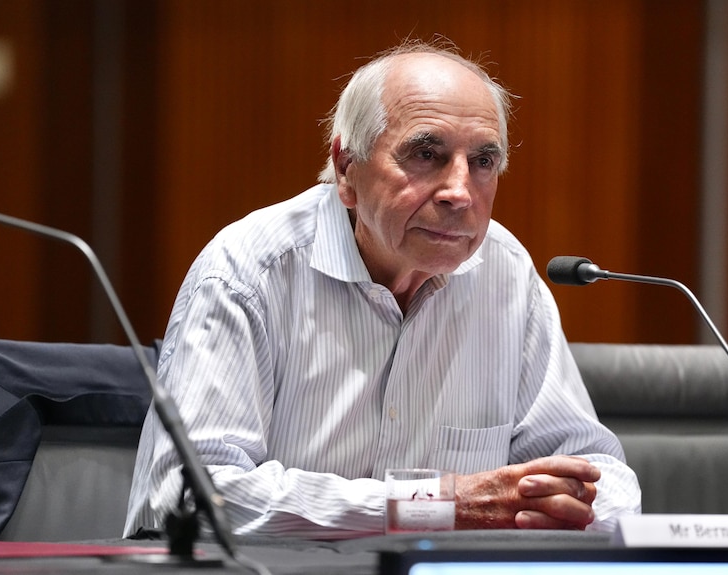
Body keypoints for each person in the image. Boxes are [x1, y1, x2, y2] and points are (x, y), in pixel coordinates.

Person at [124, 39, 641, 540]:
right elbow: (189, 497)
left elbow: (604, 481)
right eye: (426, 154)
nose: (460, 191)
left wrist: (559, 499)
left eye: (483, 162)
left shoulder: (505, 274)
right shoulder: (249, 272)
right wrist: (437, 507)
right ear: (347, 168)